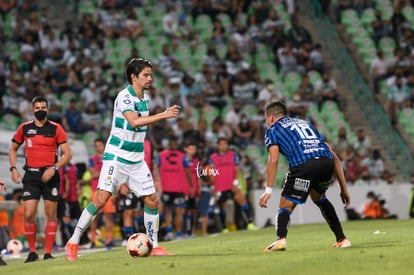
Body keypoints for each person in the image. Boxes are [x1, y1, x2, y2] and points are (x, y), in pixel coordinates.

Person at [65, 58, 181, 261]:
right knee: (100, 200)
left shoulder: (144, 97)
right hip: (117, 157)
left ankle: (155, 245)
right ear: (133, 77)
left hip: (136, 159)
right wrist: (163, 115)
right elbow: (135, 122)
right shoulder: (124, 97)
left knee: (152, 199)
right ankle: (73, 241)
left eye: (150, 74)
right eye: (145, 74)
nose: (150, 78)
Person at [258, 101, 351, 252]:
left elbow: (273, 159)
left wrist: (268, 191)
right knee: (319, 197)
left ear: (271, 118)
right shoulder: (305, 124)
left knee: (285, 206)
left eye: (266, 120)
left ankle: (280, 240)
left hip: (304, 166)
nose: (267, 123)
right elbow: (332, 155)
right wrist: (344, 189)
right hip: (326, 164)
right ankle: (342, 239)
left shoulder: (273, 129)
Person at [9, 96, 72, 262]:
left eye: (43, 107)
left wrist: (54, 168)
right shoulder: (24, 128)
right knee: (29, 214)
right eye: (37, 108)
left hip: (50, 175)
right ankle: (32, 252)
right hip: (31, 176)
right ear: (32, 110)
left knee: (51, 214)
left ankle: (48, 252)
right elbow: (13, 149)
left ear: (47, 109)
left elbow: (67, 153)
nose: (40, 110)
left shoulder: (56, 128)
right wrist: (13, 168)